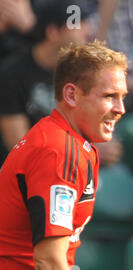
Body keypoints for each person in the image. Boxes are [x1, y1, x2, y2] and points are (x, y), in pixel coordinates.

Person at [0, 41, 128, 270]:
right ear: (71, 95)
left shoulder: (71, 141)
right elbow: (50, 261)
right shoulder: (58, 151)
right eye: (109, 96)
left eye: (123, 97)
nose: (121, 109)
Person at [0, 0, 91, 158]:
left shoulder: (82, 74)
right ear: (53, 32)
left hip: (73, 163)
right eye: (76, 24)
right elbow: (20, 150)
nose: (86, 30)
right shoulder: (13, 73)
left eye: (85, 22)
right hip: (32, 169)